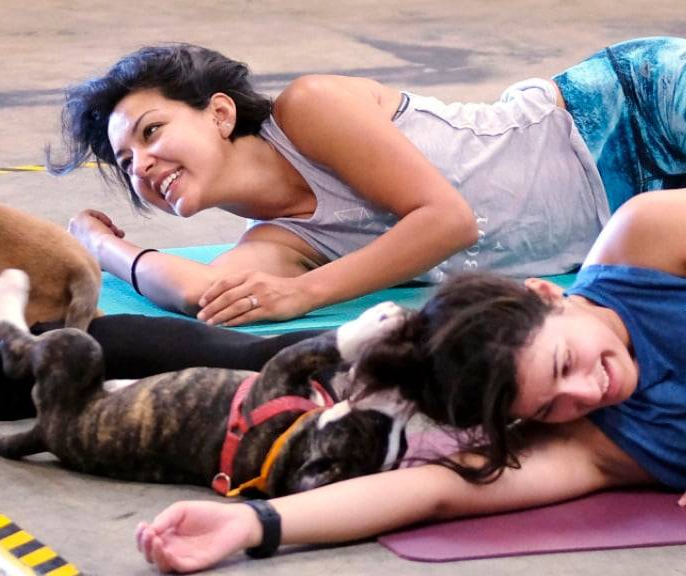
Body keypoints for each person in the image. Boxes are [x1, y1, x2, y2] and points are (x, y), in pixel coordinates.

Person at [133, 188, 686, 572]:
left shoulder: (649, 242)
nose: (590, 393)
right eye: (548, 408)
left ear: (547, 294)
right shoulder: (594, 443)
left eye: (566, 362)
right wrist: (254, 524)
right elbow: (434, 490)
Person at [53, 37, 686, 327]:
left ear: (219, 114)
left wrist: (305, 295)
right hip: (636, 215)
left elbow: (447, 220)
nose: (143, 166)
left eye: (151, 132)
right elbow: (206, 292)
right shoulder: (278, 241)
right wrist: (102, 246)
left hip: (627, 110)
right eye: (128, 164)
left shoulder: (309, 109)